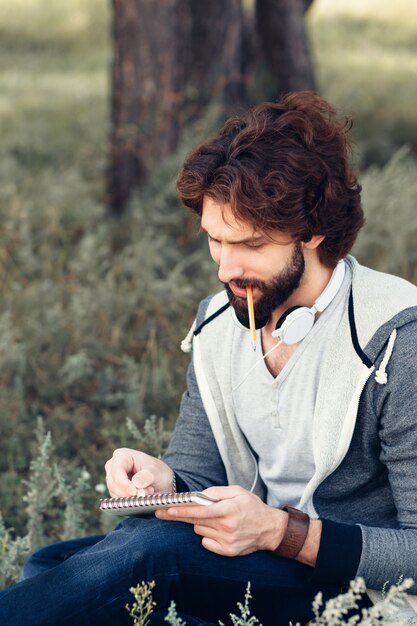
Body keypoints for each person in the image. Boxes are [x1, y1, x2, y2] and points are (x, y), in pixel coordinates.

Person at [1, 91, 417, 626]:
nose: (225, 268)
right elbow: (198, 472)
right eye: (215, 241)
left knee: (139, 563)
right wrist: (162, 483)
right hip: (256, 564)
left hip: (352, 588)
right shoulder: (218, 324)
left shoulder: (397, 341)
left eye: (249, 244)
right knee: (58, 562)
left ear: (315, 232)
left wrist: (278, 531)